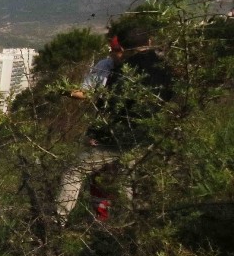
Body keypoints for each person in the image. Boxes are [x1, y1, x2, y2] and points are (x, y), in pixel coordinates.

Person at [56, 26, 170, 221]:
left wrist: (97, 133)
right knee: (129, 180)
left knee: (75, 172)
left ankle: (58, 222)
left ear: (124, 49)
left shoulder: (126, 71)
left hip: (117, 137)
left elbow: (114, 105)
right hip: (146, 136)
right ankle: (129, 225)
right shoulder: (163, 67)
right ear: (150, 42)